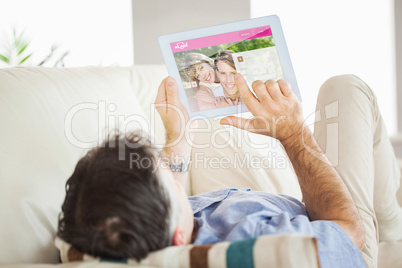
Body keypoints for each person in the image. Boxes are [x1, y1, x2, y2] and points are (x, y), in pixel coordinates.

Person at [57, 74, 402, 268]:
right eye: (171, 182)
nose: (173, 173)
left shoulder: (114, 229)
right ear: (178, 237)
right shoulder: (259, 248)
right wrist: (294, 135)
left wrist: (177, 139)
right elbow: (348, 234)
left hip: (237, 208)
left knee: (210, 122)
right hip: (339, 223)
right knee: (345, 89)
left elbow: (163, 211)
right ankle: (390, 221)